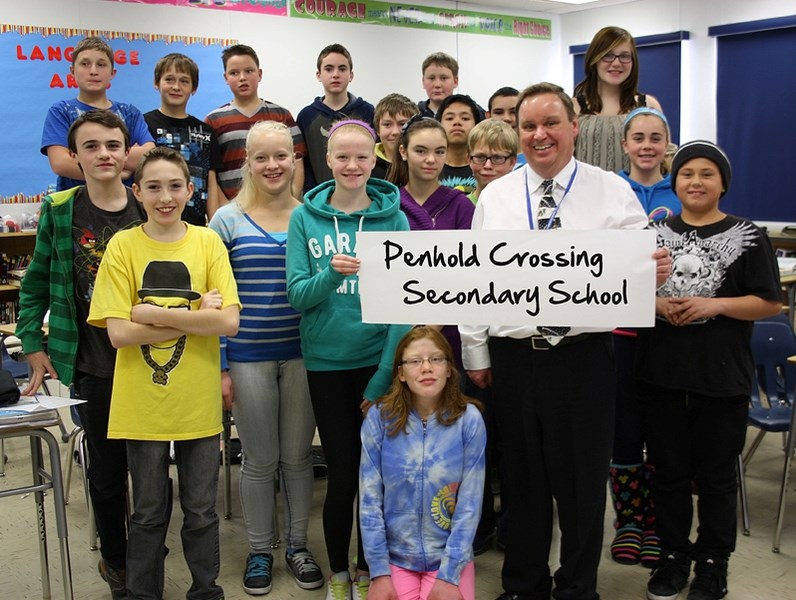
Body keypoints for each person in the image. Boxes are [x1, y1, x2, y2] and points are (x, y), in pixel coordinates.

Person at [459, 82, 671, 600]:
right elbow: (472, 280)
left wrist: (653, 273)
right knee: (523, 481)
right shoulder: (497, 195)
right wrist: (476, 352)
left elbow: (637, 269)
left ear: (574, 127)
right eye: (528, 125)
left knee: (580, 487)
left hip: (584, 359)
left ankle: (577, 587)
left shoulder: (611, 191)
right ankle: (523, 585)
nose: (539, 134)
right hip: (515, 357)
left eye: (551, 123)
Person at [87, 146, 241, 600]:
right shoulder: (123, 246)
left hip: (196, 401)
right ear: (138, 192)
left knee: (201, 511)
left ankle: (205, 591)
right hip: (142, 405)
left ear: (191, 190)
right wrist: (195, 313)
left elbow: (228, 321)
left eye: (175, 186)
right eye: (153, 186)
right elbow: (117, 333)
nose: (165, 196)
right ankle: (142, 593)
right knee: (149, 512)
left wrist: (149, 313)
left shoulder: (208, 241)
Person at [636, 141, 781, 600]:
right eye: (686, 174)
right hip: (660, 375)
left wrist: (712, 304)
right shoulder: (650, 233)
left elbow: (769, 301)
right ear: (673, 181)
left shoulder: (750, 235)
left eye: (707, 174)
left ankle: (714, 562)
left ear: (722, 183)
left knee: (717, 478)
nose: (695, 182)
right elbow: (621, 290)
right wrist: (655, 303)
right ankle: (673, 556)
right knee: (667, 473)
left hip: (722, 379)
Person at [17, 109, 145, 599]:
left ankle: (147, 550)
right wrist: (32, 343)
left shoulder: (148, 203)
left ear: (127, 150)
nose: (104, 155)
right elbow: (35, 282)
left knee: (152, 471)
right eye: (91, 147)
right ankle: (116, 560)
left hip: (152, 362)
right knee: (108, 474)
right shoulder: (60, 209)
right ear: (75, 156)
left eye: (113, 145)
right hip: (94, 364)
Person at [286, 119, 411, 600]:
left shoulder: (394, 219)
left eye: (362, 157)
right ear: (328, 161)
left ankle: (369, 568)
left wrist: (384, 374)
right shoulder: (305, 218)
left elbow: (404, 304)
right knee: (343, 475)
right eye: (342, 157)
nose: (352, 165)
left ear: (375, 159)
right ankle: (340, 571)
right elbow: (298, 296)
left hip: (377, 365)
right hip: (326, 365)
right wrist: (332, 277)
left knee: (377, 477)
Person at [208, 121, 323, 595]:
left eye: (282, 156)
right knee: (259, 460)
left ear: (295, 159)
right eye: (262, 157)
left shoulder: (312, 215)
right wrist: (221, 365)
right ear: (247, 163)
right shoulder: (226, 222)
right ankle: (260, 550)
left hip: (304, 355)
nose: (273, 165)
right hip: (248, 356)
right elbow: (211, 298)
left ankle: (297, 546)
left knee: (297, 460)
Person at [360, 327, 486, 600]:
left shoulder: (469, 419)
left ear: (450, 369)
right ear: (401, 373)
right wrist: (379, 573)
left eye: (437, 359)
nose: (427, 368)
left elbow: (470, 504)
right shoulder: (379, 419)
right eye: (415, 361)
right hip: (395, 559)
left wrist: (450, 574)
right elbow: (369, 501)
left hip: (449, 559)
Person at [608, 106, 681, 568]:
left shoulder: (684, 190)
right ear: (625, 144)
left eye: (656, 137)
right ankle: (629, 522)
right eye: (639, 137)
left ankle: (657, 522)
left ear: (667, 145)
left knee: (665, 428)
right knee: (624, 429)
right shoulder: (611, 191)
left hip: (670, 332)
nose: (647, 145)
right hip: (619, 331)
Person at [387, 114, 474, 368]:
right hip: (396, 332)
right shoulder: (388, 206)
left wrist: (430, 329)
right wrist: (411, 331)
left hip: (449, 334)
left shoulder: (461, 206)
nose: (430, 160)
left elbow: (468, 275)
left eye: (439, 152)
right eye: (421, 151)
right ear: (403, 151)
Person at [41, 35, 155, 191]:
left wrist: (88, 158)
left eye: (101, 64)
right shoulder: (61, 112)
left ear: (112, 73)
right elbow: (60, 163)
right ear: (72, 71)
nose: (93, 71)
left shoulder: (130, 113)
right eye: (85, 64)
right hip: (77, 204)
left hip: (125, 205)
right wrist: (116, 173)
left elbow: (148, 155)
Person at [205, 44, 306, 202]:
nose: (242, 78)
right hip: (234, 210)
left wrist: (290, 200)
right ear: (226, 78)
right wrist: (227, 209)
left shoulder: (281, 115)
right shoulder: (214, 120)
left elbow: (298, 161)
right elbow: (210, 174)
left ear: (259, 74)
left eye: (249, 71)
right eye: (234, 73)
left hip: (278, 206)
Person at [144, 52, 223, 225]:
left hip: (195, 225)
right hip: (152, 221)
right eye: (169, 79)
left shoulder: (206, 131)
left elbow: (211, 183)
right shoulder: (144, 124)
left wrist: (215, 225)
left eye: (184, 81)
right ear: (157, 83)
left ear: (193, 88)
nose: (176, 87)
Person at [572, 26, 662, 173]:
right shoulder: (573, 108)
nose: (616, 63)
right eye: (608, 55)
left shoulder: (648, 106)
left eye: (624, 56)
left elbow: (664, 159)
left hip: (635, 194)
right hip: (585, 192)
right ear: (594, 59)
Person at [297, 43, 375, 193]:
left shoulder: (368, 112)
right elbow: (303, 165)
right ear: (318, 75)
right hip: (318, 201)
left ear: (351, 75)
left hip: (361, 196)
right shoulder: (306, 116)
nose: (335, 74)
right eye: (328, 69)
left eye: (342, 68)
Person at [435, 94, 483, 194]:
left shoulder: (485, 167)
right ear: (438, 125)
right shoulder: (429, 165)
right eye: (449, 118)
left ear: (476, 125)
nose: (457, 122)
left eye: (465, 118)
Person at [467, 119, 519, 203]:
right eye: (480, 157)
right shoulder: (459, 209)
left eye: (497, 158)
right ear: (469, 160)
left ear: (512, 162)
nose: (488, 166)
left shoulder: (522, 206)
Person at [372, 94, 419, 180]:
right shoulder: (368, 164)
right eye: (387, 125)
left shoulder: (423, 163)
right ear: (378, 130)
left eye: (402, 124)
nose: (395, 132)